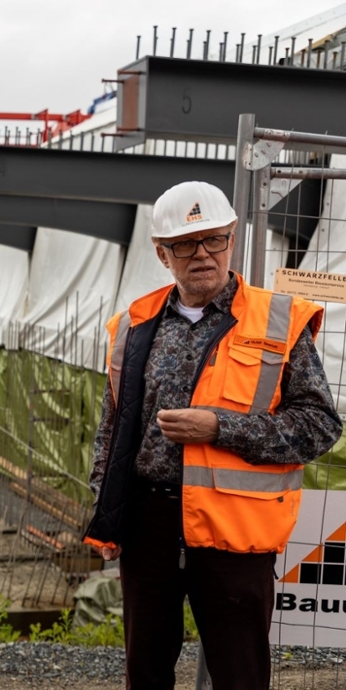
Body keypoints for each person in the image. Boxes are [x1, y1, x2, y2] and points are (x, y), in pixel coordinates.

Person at [83, 181, 342, 690]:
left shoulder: (279, 320)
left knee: (239, 674)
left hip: (234, 529)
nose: (202, 254)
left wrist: (221, 428)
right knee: (146, 672)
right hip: (148, 524)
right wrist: (105, 510)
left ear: (232, 238)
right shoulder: (134, 325)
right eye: (185, 244)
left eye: (214, 240)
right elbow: (112, 427)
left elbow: (320, 426)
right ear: (162, 253)